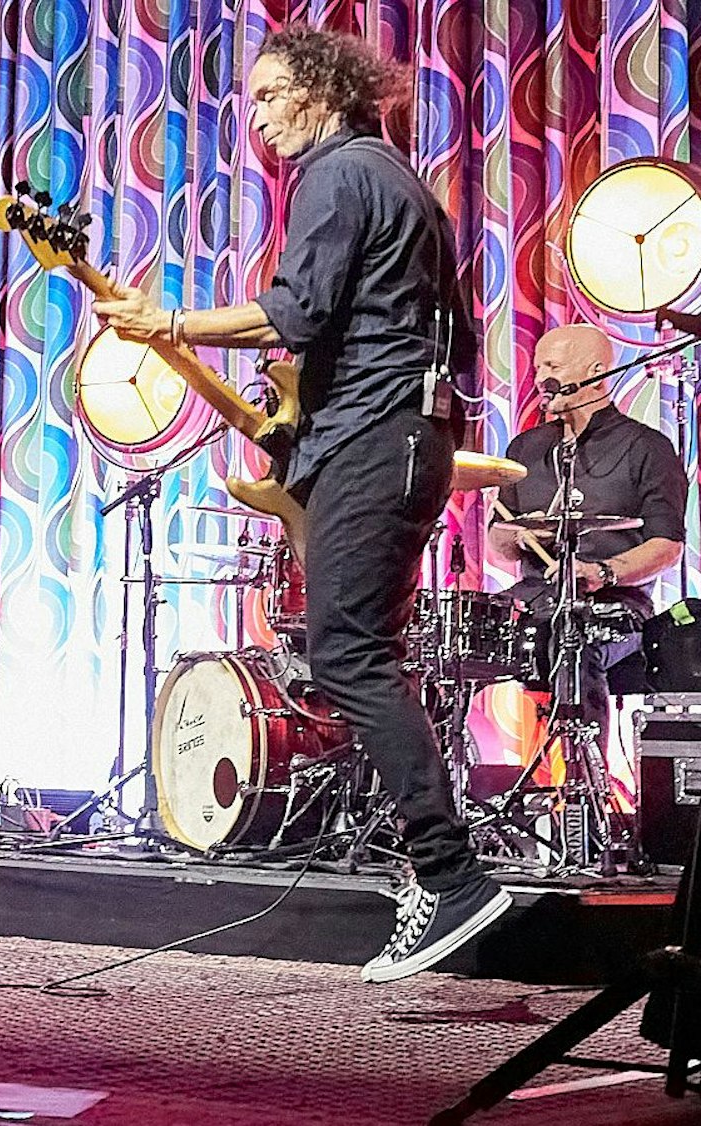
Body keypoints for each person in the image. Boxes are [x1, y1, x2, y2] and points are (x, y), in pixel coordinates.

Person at [93, 26, 509, 982]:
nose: (261, 115)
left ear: (323, 92)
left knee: (348, 656)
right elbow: (428, 334)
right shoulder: (405, 183)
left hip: (379, 440)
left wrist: (172, 323)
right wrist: (304, 423)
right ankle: (439, 872)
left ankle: (452, 878)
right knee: (365, 654)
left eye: (274, 93)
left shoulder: (337, 174)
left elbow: (298, 310)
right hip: (399, 436)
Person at [487, 324, 685, 753]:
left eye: (553, 366)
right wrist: (516, 536)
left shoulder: (646, 447)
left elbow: (667, 545)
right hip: (533, 601)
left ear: (596, 371)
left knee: (573, 640)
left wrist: (601, 573)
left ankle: (580, 784)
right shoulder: (525, 449)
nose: (541, 377)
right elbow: (497, 543)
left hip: (615, 608)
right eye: (538, 366)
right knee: (442, 650)